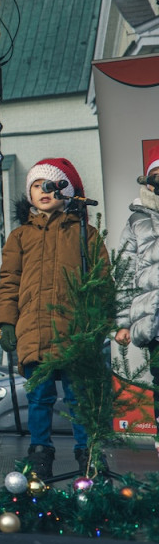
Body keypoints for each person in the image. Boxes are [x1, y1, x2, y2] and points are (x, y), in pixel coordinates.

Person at [0, 158, 103, 478]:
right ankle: (40, 452)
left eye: (51, 185)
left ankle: (88, 453)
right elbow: (9, 281)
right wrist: (5, 322)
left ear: (66, 192)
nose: (43, 191)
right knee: (39, 397)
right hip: (34, 328)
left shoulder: (85, 233)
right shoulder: (20, 236)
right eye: (36, 185)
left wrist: (97, 323)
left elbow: (100, 279)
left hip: (74, 328)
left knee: (78, 395)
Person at [115, 145, 159, 460]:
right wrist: (121, 321)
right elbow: (124, 270)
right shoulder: (136, 220)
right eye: (155, 177)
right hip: (154, 317)